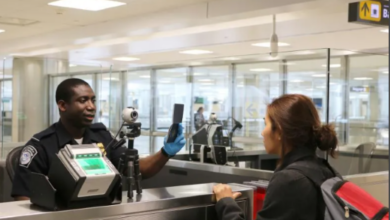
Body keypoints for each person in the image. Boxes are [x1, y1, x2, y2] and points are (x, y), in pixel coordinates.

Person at [11, 78, 186, 200]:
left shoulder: (102, 136)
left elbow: (136, 170)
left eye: (93, 100)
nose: (91, 107)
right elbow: (23, 198)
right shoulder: (41, 146)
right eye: (83, 100)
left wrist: (165, 152)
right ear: (63, 105)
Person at [213, 94, 338, 220]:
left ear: (279, 131)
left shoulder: (290, 180)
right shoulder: (323, 170)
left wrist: (226, 203)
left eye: (266, 124)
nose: (262, 133)